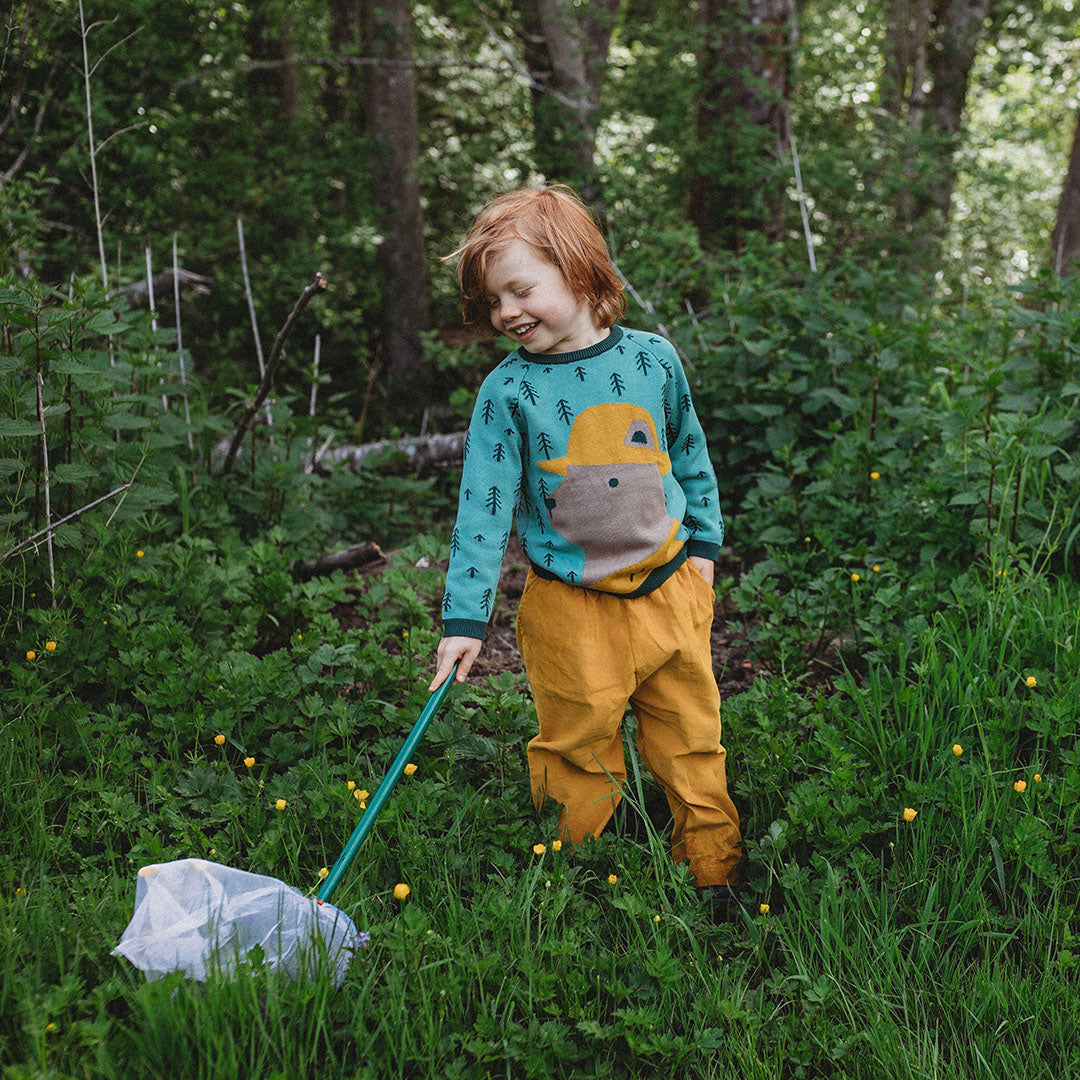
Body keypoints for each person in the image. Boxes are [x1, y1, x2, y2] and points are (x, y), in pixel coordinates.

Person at [428, 184, 741, 900]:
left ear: (576, 269)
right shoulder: (507, 393)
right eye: (492, 301)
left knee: (692, 738)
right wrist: (465, 619)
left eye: (519, 290)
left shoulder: (655, 360)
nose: (505, 313)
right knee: (575, 747)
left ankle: (714, 870)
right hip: (569, 609)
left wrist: (705, 551)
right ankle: (578, 883)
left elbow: (689, 454)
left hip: (669, 593)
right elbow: (483, 507)